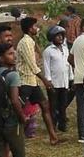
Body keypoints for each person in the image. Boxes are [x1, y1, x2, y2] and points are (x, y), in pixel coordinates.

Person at [15, 17, 60, 145]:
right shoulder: (25, 42)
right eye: (35, 26)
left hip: (31, 80)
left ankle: (53, 137)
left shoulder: (31, 41)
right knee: (19, 110)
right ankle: (14, 136)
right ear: (30, 29)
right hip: (25, 80)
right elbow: (32, 65)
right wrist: (45, 80)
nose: (37, 28)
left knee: (45, 105)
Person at [43, 25, 72, 133]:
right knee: (53, 105)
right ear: (52, 37)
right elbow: (46, 66)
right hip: (54, 82)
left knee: (63, 104)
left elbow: (68, 64)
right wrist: (48, 81)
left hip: (64, 82)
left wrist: (71, 77)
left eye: (61, 36)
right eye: (57, 36)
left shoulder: (65, 49)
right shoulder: (48, 51)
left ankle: (62, 124)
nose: (60, 38)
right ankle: (53, 125)